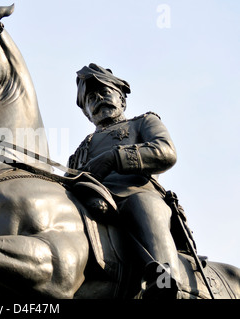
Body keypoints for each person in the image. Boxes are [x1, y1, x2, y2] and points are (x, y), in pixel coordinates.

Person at [67, 63, 181, 298]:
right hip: (95, 202)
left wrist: (114, 157)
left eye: (105, 93)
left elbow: (166, 152)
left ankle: (164, 278)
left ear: (122, 101)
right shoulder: (82, 149)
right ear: (87, 113)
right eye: (90, 98)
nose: (98, 99)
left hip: (136, 193)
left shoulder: (143, 122)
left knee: (143, 205)